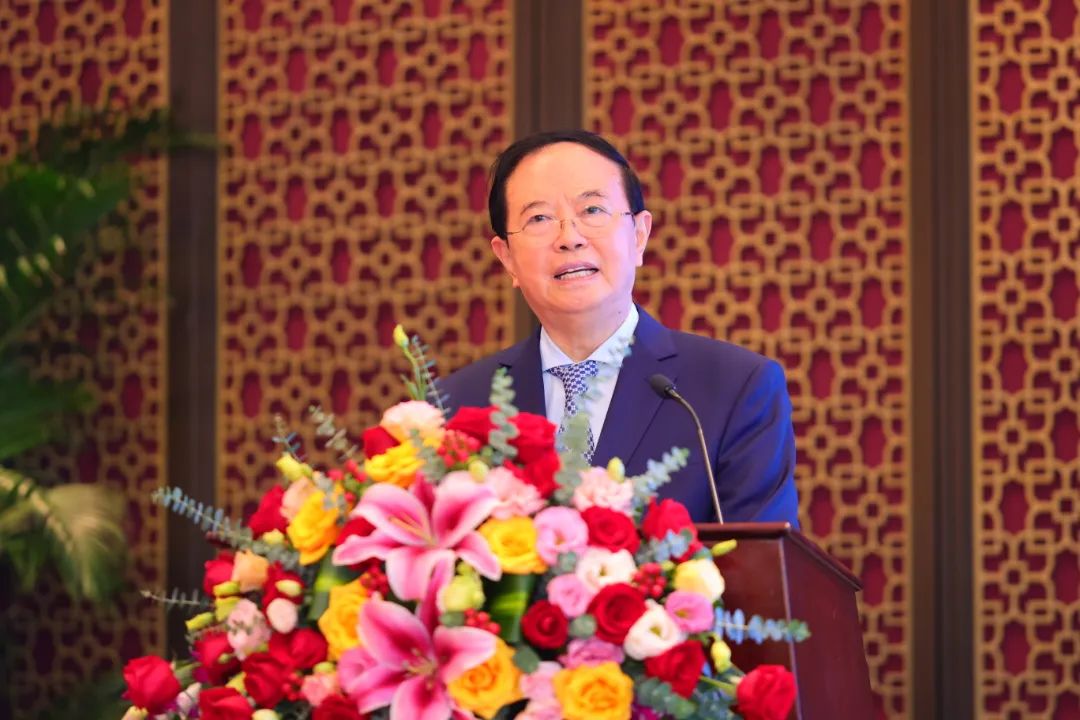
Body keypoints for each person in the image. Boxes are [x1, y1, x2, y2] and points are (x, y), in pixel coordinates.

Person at [439, 130, 799, 525]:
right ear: (506, 257)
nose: (569, 238)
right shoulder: (455, 408)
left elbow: (761, 558)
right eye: (539, 218)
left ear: (639, 235)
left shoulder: (734, 388)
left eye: (592, 210)